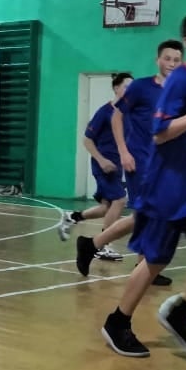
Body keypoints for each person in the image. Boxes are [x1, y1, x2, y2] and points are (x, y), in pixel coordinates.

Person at [100, 12, 186, 360]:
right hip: (167, 184)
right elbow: (160, 133)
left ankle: (180, 311)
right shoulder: (179, 81)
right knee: (155, 261)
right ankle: (118, 322)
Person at [73, 41, 184, 282]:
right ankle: (140, 267)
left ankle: (93, 245)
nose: (172, 63)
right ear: (158, 60)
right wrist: (123, 152)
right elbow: (117, 117)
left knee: (148, 215)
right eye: (167, 58)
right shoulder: (141, 87)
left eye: (177, 59)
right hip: (139, 160)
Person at [57, 72, 133, 261]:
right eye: (126, 86)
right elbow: (87, 140)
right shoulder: (104, 112)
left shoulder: (128, 113)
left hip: (117, 165)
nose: (130, 90)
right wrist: (101, 160)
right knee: (119, 200)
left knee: (107, 207)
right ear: (116, 88)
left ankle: (73, 217)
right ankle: (103, 245)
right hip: (103, 164)